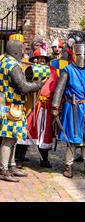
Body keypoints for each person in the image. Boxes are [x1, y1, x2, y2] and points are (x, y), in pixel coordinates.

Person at [51, 43, 85, 179]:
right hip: (73, 108)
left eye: (84, 55)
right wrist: (55, 106)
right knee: (72, 137)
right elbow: (59, 89)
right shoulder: (67, 70)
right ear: (74, 55)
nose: (82, 57)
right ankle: (68, 165)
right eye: (79, 54)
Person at [0, 40, 45, 182]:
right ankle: (4, 169)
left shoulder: (2, 61)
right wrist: (38, 84)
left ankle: (11, 165)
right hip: (12, 106)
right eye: (20, 50)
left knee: (13, 138)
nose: (22, 52)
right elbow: (23, 87)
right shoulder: (13, 66)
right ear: (15, 51)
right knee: (8, 139)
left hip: (6, 105)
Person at [17, 48, 58, 168]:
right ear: (35, 59)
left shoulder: (53, 71)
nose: (41, 60)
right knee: (28, 130)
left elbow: (56, 89)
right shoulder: (30, 70)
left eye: (44, 59)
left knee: (45, 133)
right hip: (33, 104)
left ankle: (44, 159)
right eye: (39, 58)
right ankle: (19, 158)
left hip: (47, 106)